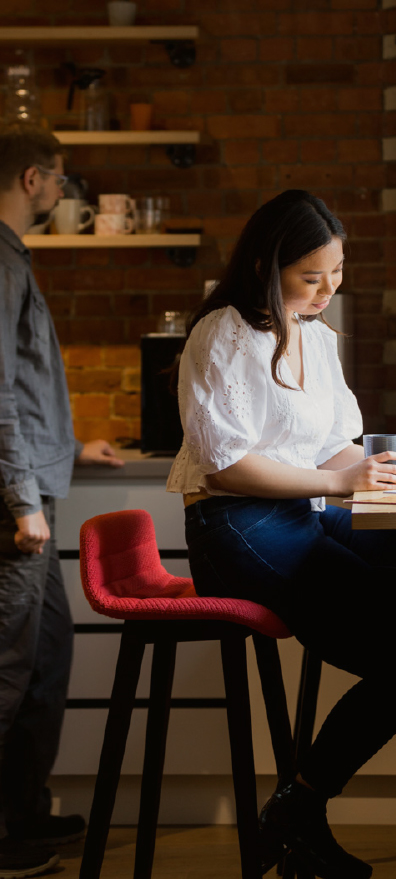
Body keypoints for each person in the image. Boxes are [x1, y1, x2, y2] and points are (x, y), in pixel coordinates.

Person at [167, 189, 396, 879]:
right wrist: (344, 483)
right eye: (312, 277)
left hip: (300, 512)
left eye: (336, 274)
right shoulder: (223, 332)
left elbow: (335, 448)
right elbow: (226, 468)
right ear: (265, 263)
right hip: (234, 525)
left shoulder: (316, 336)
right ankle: (301, 808)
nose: (327, 290)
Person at [0, 123, 123, 878]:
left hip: (37, 480)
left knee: (44, 657)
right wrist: (21, 499)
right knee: (10, 668)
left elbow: (20, 384)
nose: (60, 192)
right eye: (58, 179)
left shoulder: (13, 258)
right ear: (32, 180)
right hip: (17, 503)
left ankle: (23, 813)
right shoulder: (0, 259)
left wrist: (68, 449)